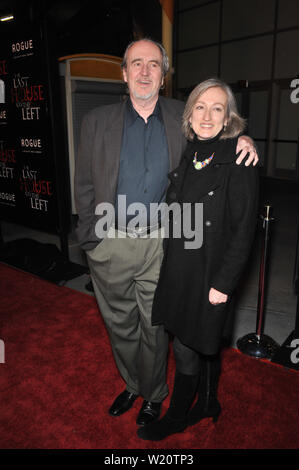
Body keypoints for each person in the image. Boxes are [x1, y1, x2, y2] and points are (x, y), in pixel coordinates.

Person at [75, 39, 258, 428]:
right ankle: (132, 383)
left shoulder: (183, 115)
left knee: (156, 325)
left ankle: (155, 394)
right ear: (124, 74)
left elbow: (218, 129)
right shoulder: (95, 121)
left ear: (164, 75)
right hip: (111, 241)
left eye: (153, 65)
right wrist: (92, 238)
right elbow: (85, 185)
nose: (144, 72)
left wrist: (243, 139)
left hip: (164, 241)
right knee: (119, 324)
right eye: (136, 64)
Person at [137, 78, 259, 441]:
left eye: (217, 108)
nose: (208, 115)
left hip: (210, 273)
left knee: (188, 347)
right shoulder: (190, 151)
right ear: (190, 115)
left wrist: (224, 284)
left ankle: (176, 416)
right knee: (198, 340)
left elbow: (243, 230)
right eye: (201, 107)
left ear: (228, 118)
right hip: (180, 267)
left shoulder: (239, 157)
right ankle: (208, 402)